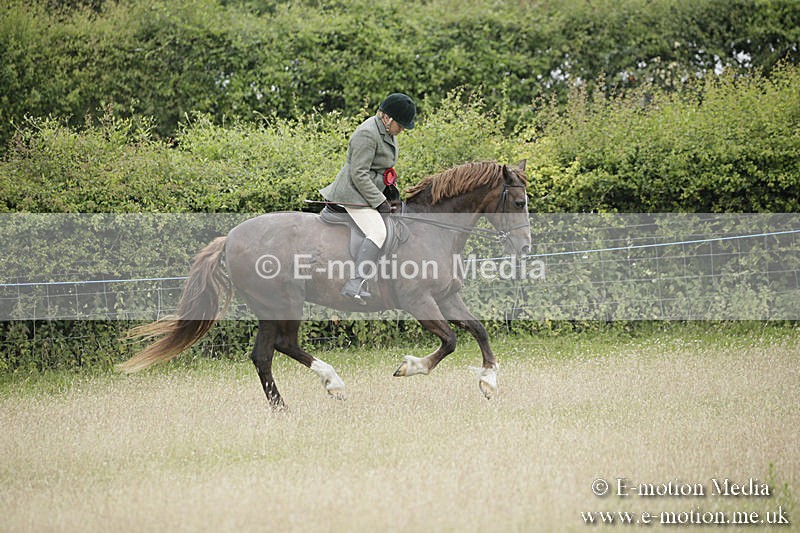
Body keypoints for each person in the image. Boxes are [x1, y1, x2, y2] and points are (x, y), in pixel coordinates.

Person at [319, 92, 416, 304]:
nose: (402, 130)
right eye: (400, 125)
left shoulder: (386, 132)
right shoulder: (367, 134)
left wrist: (390, 191)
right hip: (353, 193)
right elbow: (359, 174)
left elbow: (380, 168)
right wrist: (379, 202)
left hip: (370, 190)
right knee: (378, 232)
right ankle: (355, 283)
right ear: (387, 118)